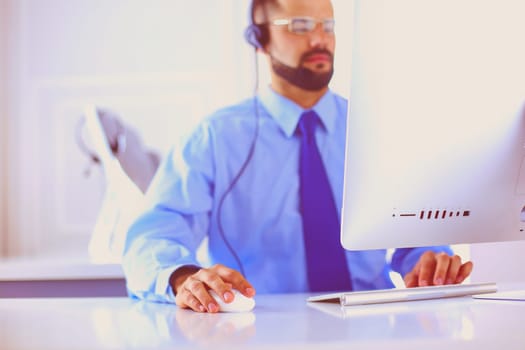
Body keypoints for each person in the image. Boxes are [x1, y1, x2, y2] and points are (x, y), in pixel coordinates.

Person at [122, 0, 473, 313]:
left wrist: (428, 263)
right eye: (300, 25)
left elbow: (413, 237)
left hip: (373, 324)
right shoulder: (215, 138)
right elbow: (151, 238)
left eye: (329, 26)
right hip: (258, 329)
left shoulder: (375, 131)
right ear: (260, 39)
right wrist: (184, 276)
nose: (320, 39)